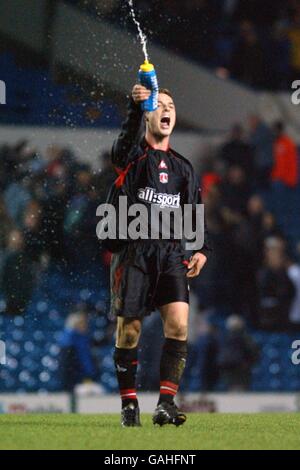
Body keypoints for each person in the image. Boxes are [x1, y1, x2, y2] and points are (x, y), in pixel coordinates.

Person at [109, 85, 211, 427]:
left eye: (172, 105)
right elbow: (122, 144)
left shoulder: (183, 167)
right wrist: (135, 107)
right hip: (135, 251)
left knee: (180, 325)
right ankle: (129, 405)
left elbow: (194, 212)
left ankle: (166, 403)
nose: (167, 110)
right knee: (129, 332)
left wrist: (200, 249)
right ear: (149, 116)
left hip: (170, 253)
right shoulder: (132, 157)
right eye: (159, 106)